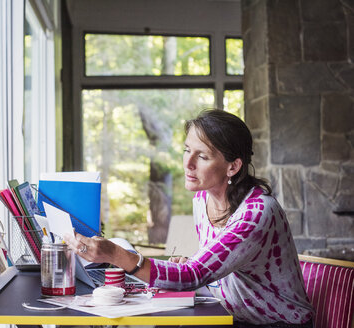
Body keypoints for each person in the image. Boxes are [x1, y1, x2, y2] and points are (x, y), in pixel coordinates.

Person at [64, 109, 314, 327]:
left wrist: (115, 254)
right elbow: (216, 267)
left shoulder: (258, 212)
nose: (188, 164)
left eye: (202, 156)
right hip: (230, 315)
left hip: (277, 323)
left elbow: (193, 276)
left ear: (233, 167)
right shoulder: (202, 200)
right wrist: (191, 263)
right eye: (186, 151)